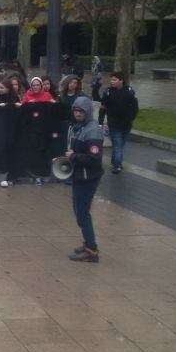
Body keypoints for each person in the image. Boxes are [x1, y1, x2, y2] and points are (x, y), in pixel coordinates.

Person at [66, 96, 104, 262]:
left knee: (82, 213)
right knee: (78, 211)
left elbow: (94, 159)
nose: (77, 113)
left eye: (81, 111)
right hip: (79, 175)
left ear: (87, 112)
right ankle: (88, 243)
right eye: (75, 110)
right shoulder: (79, 127)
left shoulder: (92, 131)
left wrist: (74, 157)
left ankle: (92, 250)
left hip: (88, 178)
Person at [98, 72, 138, 174]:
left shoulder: (129, 91)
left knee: (119, 145)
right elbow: (103, 107)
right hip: (113, 124)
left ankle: (115, 161)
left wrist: (130, 119)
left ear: (121, 81)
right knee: (117, 145)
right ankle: (117, 165)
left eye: (114, 80)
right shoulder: (108, 92)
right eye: (111, 80)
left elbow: (135, 107)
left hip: (126, 124)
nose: (112, 82)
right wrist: (100, 122)